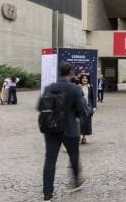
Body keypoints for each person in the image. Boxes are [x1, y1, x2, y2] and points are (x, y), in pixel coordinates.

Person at [41, 63, 88, 201]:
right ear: (71, 73)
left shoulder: (49, 88)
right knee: (73, 155)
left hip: (50, 129)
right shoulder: (74, 88)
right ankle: (76, 181)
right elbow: (82, 110)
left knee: (50, 160)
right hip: (70, 129)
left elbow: (40, 106)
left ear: (59, 72)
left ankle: (47, 193)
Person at [79, 74, 96, 144]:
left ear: (88, 79)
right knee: (80, 122)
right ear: (81, 79)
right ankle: (78, 136)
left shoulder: (90, 87)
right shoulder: (78, 87)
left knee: (86, 122)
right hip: (79, 107)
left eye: (86, 78)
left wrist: (94, 107)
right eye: (83, 78)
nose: (84, 79)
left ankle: (83, 137)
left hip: (88, 107)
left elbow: (93, 97)